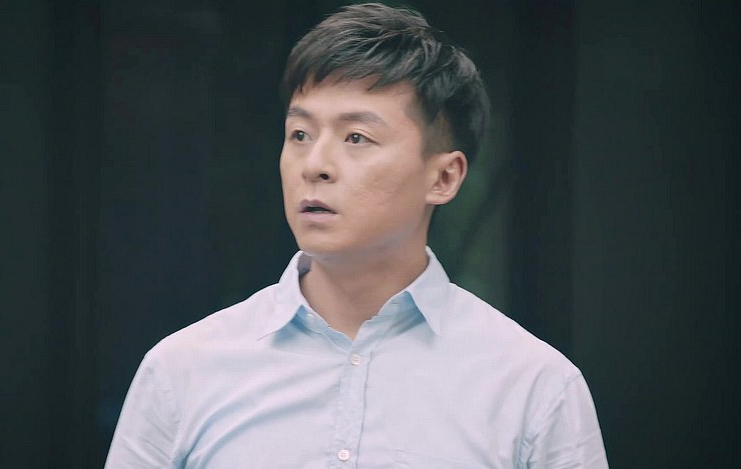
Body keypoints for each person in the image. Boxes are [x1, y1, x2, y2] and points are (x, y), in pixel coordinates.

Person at [105, 3, 608, 468]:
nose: (315, 165)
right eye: (300, 134)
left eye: (356, 137)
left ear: (443, 177)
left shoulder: (534, 386)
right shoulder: (182, 371)